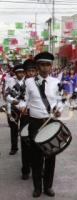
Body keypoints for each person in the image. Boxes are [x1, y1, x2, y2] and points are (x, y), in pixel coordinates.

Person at [25, 52, 63, 197]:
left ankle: (48, 186)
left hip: (51, 122)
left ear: (51, 66)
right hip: (35, 123)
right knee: (36, 157)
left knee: (51, 155)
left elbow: (61, 100)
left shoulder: (56, 82)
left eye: (48, 65)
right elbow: (24, 100)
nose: (45, 68)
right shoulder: (29, 82)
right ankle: (37, 187)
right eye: (42, 64)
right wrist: (20, 105)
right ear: (37, 66)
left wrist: (59, 110)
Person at [18, 59, 37, 180]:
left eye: (33, 71)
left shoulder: (40, 83)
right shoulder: (20, 85)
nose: (31, 73)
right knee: (25, 143)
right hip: (25, 117)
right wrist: (20, 106)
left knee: (38, 143)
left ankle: (39, 167)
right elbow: (10, 96)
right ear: (25, 72)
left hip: (38, 117)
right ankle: (25, 169)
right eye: (29, 71)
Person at [5, 64, 25, 155]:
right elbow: (6, 95)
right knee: (13, 128)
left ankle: (26, 148)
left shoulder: (28, 81)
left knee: (24, 128)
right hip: (13, 107)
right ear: (15, 73)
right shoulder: (10, 81)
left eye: (22, 72)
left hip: (24, 108)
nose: (20, 74)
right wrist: (9, 111)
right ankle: (14, 147)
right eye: (18, 72)